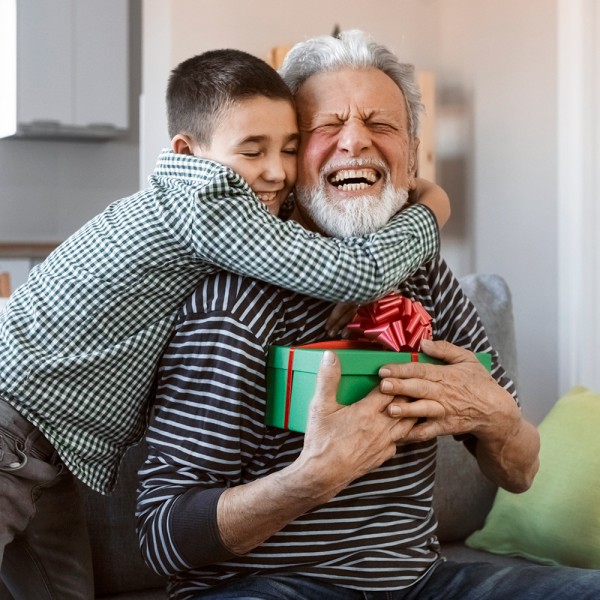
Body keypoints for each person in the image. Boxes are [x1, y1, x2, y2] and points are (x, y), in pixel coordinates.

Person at [136, 30, 600, 600]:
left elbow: (521, 472)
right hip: (270, 586)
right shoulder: (232, 300)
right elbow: (162, 536)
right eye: (326, 127)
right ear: (289, 156)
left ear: (410, 157)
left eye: (381, 125)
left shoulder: (423, 273)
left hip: (423, 582)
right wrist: (313, 478)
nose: (355, 142)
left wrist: (497, 419)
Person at [0, 48, 450, 600]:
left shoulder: (185, 208)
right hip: (11, 429)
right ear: (189, 153)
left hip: (50, 447)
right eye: (251, 150)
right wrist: (430, 209)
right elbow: (355, 273)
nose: (276, 171)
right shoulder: (208, 199)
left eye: (288, 149)